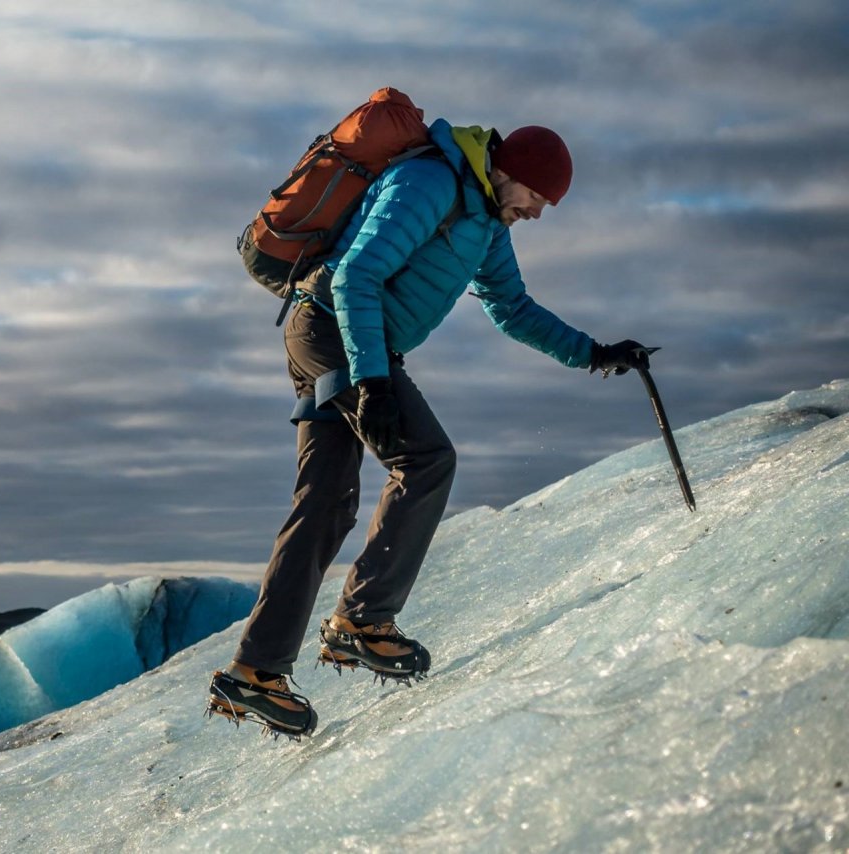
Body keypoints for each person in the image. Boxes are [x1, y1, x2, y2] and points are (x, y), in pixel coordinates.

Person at [206, 120, 650, 738]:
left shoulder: (486, 223)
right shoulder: (428, 183)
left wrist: (595, 352)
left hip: (350, 341)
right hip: (334, 331)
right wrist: (374, 382)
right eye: (539, 201)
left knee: (326, 501)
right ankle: (361, 622)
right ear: (511, 172)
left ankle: (253, 673)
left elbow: (512, 307)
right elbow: (356, 275)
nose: (538, 216)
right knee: (426, 459)